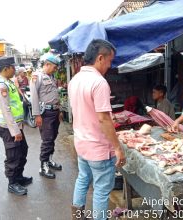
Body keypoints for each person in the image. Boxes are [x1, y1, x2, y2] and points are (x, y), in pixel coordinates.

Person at [68, 39, 126, 220]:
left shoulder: (75, 79)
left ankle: (77, 216)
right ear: (100, 58)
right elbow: (103, 119)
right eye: (109, 61)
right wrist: (117, 147)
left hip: (81, 143)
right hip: (99, 148)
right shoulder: (99, 82)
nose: (109, 66)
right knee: (101, 191)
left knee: (83, 179)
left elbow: (86, 111)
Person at [0, 56, 32, 196]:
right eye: (13, 67)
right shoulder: (1, 85)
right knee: (13, 155)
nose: (15, 70)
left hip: (16, 126)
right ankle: (12, 183)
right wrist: (15, 131)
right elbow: (6, 110)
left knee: (23, 151)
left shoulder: (8, 82)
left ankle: (19, 177)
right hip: (8, 128)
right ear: (6, 68)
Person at [30, 54, 63, 179]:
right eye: (54, 67)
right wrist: (37, 115)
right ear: (47, 64)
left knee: (53, 138)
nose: (56, 69)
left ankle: (49, 160)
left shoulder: (51, 77)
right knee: (47, 140)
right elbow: (34, 96)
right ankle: (43, 166)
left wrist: (59, 110)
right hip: (45, 114)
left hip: (54, 112)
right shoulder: (37, 76)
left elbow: (55, 95)